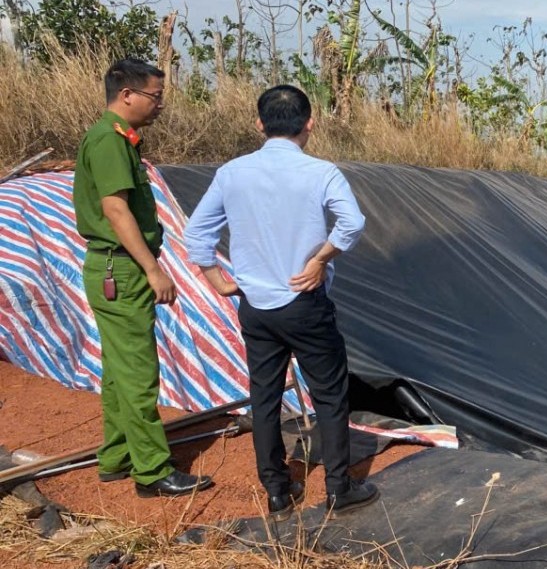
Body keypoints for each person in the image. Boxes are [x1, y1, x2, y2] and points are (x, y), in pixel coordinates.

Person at [183, 85, 378, 520]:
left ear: (259, 124)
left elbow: (197, 234)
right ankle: (339, 488)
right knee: (328, 394)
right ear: (310, 123)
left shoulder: (232, 173)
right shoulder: (321, 172)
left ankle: (276, 489)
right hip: (305, 300)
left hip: (256, 307)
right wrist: (320, 258)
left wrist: (217, 280)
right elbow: (352, 221)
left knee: (264, 397)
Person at [73, 58, 214, 497]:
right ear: (126, 95)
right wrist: (153, 269)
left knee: (119, 369)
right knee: (137, 371)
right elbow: (116, 210)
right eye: (155, 96)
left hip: (114, 267)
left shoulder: (115, 140)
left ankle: (117, 456)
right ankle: (152, 471)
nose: (160, 105)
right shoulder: (110, 141)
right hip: (123, 267)